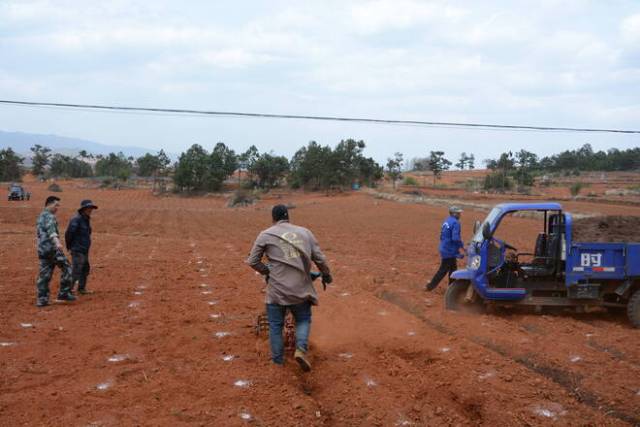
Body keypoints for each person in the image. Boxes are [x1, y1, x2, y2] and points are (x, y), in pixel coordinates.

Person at [246, 204, 332, 372]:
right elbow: (320, 259)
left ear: (273, 218)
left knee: (275, 325)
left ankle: (278, 362)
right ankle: (300, 349)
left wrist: (268, 271)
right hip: (301, 289)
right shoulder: (305, 233)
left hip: (277, 291)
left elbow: (253, 261)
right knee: (303, 319)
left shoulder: (266, 234)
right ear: (288, 217)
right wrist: (326, 275)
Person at [35, 196, 76, 307]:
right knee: (68, 268)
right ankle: (64, 293)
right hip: (52, 249)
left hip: (42, 250)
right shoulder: (50, 217)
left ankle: (42, 299)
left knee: (44, 275)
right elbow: (51, 232)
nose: (57, 208)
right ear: (49, 204)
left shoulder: (41, 216)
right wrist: (57, 242)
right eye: (56, 205)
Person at [425, 206, 464, 291]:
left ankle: (452, 288)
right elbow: (455, 238)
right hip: (449, 250)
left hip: (444, 247)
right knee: (443, 270)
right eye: (458, 213)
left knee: (453, 269)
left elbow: (442, 235)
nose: (460, 215)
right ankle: (430, 286)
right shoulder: (456, 223)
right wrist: (462, 247)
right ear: (454, 214)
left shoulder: (447, 221)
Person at [65, 199, 98, 295]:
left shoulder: (86, 219)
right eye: (88, 208)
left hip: (84, 249)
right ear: (83, 209)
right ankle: (67, 290)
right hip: (77, 249)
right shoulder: (76, 219)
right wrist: (70, 246)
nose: (90, 210)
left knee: (85, 268)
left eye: (91, 208)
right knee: (77, 269)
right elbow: (69, 233)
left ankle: (81, 288)